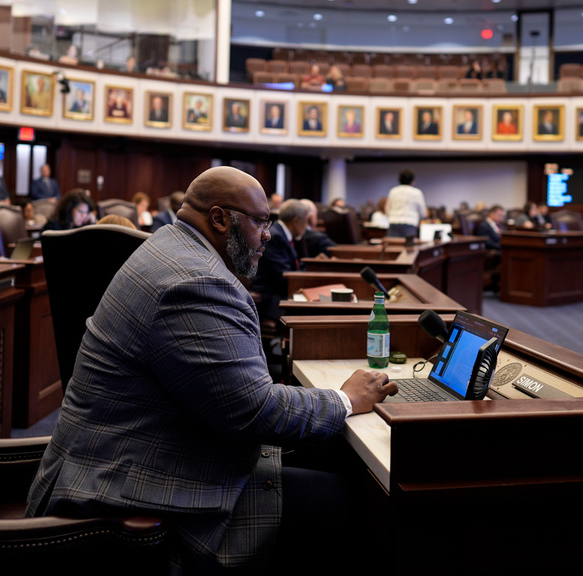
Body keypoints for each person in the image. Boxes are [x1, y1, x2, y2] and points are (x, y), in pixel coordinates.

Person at [25, 167, 396, 573]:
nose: (268, 234)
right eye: (260, 221)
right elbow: (254, 411)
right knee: (348, 500)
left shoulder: (169, 246)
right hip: (131, 491)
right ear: (219, 219)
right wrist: (345, 399)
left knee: (330, 460)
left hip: (133, 457)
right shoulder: (195, 281)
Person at [252, 199, 308, 323]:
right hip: (271, 298)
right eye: (306, 221)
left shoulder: (281, 233)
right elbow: (282, 276)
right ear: (296, 221)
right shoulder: (275, 236)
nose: (307, 226)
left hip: (279, 292)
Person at [385, 169, 427, 240]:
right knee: (409, 249)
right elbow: (423, 213)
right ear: (412, 181)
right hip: (410, 224)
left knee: (393, 248)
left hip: (394, 223)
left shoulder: (393, 191)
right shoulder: (417, 193)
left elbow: (387, 210)